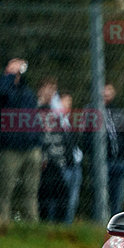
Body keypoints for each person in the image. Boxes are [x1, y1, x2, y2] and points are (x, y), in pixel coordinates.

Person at [0, 58, 43, 224]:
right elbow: (3, 93)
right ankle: (3, 222)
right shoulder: (4, 88)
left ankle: (32, 223)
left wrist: (39, 143)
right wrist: (9, 75)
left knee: (31, 190)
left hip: (31, 148)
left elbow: (35, 118)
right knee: (6, 188)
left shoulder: (27, 92)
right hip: (11, 149)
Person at [37, 77, 68, 222]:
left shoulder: (53, 112)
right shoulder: (34, 110)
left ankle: (59, 227)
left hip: (57, 160)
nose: (51, 93)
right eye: (49, 89)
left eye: (54, 90)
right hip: (44, 161)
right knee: (42, 195)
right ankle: (42, 224)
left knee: (62, 194)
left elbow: (60, 135)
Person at [102, 83, 124, 216]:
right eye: (104, 90)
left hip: (119, 160)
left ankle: (115, 220)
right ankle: (101, 220)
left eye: (109, 90)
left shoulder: (118, 112)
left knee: (117, 196)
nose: (106, 93)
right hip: (103, 162)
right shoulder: (93, 111)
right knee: (102, 195)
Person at [59, 92, 84, 223]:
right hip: (63, 165)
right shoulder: (56, 121)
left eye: (69, 102)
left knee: (73, 199)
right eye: (65, 102)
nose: (68, 105)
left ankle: (68, 223)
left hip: (75, 164)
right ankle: (58, 223)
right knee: (62, 197)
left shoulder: (72, 121)